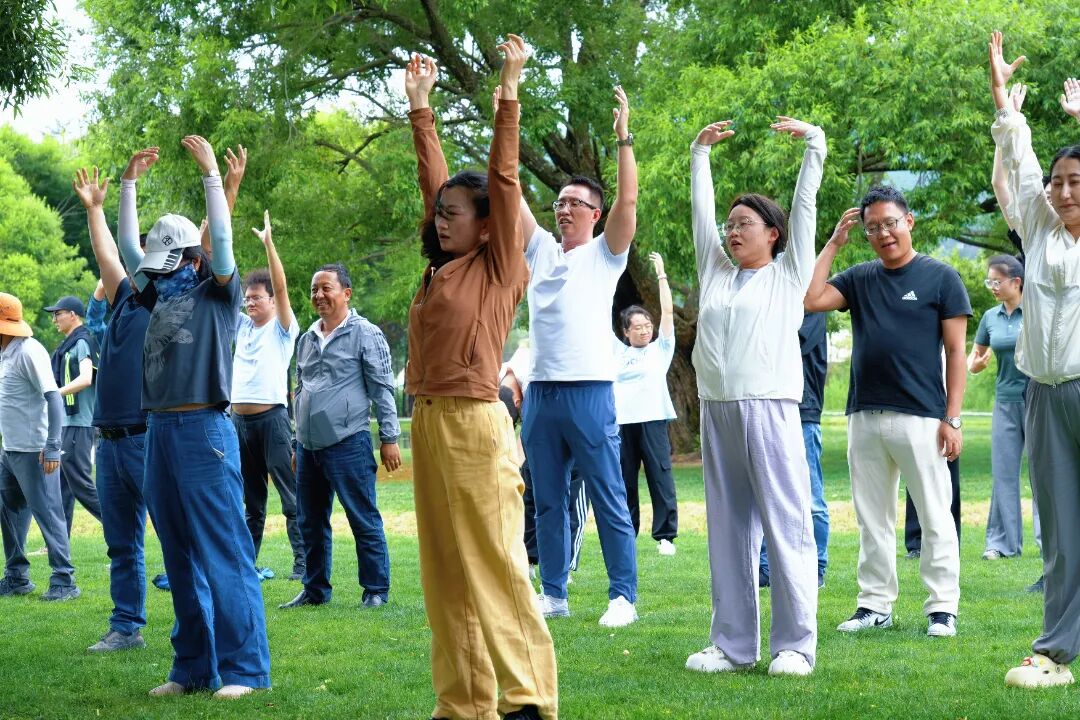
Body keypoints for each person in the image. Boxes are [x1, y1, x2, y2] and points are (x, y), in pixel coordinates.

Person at [405, 42, 557, 720]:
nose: (441, 221)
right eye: (439, 214)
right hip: (428, 421)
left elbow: (504, 178)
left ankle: (530, 699)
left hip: (475, 423)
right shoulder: (443, 263)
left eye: (454, 214)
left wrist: (509, 94)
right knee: (445, 572)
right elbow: (434, 183)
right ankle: (464, 704)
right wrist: (420, 109)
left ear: (489, 225)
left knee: (495, 562)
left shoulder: (500, 264)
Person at [118, 138, 270, 699]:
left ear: (193, 259)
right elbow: (130, 252)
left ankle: (245, 670)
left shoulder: (218, 293)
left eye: (174, 263)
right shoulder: (156, 294)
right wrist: (128, 185)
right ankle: (192, 668)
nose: (162, 274)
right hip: (159, 431)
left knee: (224, 550)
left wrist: (212, 177)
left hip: (205, 430)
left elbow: (223, 241)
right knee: (177, 555)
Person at [683, 115, 825, 678]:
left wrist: (813, 145)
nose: (732, 232)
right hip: (717, 410)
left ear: (773, 234)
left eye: (745, 224)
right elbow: (701, 220)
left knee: (786, 527)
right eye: (730, 224)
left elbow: (806, 207)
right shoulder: (716, 272)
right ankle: (732, 644)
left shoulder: (788, 275)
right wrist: (699, 155)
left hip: (770, 408)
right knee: (727, 531)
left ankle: (794, 646)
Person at [805, 184, 971, 639]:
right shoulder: (859, 278)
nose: (883, 233)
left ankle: (943, 608)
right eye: (873, 227)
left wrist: (952, 417)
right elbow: (811, 299)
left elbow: (957, 352)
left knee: (935, 515)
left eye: (890, 223)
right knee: (872, 518)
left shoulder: (941, 278)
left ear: (909, 222)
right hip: (864, 414)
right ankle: (874, 605)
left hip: (922, 416)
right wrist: (834, 243)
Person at [519, 82, 640, 628]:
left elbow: (628, 202)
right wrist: (507, 105)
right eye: (560, 203)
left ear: (596, 213)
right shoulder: (541, 249)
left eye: (575, 204)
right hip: (541, 394)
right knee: (547, 500)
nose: (564, 209)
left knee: (608, 494)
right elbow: (508, 191)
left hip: (590, 392)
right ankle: (554, 593)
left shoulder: (605, 255)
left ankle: (622, 597)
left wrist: (623, 140)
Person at [989, 32, 1080, 688]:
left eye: (1076, 182)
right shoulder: (1042, 228)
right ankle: (1055, 653)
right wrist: (1004, 102)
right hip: (1045, 395)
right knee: (1061, 532)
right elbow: (1018, 167)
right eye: (1058, 183)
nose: (1065, 192)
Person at [279, 261, 399, 610]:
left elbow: (382, 389)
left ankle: (375, 590)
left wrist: (390, 438)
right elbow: (300, 390)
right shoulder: (306, 338)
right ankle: (314, 589)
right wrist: (296, 442)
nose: (318, 295)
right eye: (314, 289)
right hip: (308, 447)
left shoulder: (366, 333)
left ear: (346, 293)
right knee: (310, 522)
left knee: (362, 517)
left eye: (326, 288)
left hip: (349, 442)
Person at [72, 166, 154, 651]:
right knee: (121, 543)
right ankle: (126, 627)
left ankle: (199, 630)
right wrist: (95, 210)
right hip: (109, 442)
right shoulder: (123, 299)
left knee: (178, 538)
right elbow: (107, 253)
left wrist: (221, 186)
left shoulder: (167, 303)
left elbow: (211, 248)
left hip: (146, 437)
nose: (131, 263)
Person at [232, 212, 306, 582]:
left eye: (257, 298)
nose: (250, 303)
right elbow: (223, 285)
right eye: (247, 298)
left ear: (273, 302)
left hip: (272, 420)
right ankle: (246, 564)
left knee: (290, 498)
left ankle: (303, 563)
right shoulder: (242, 326)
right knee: (252, 502)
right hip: (239, 423)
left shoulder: (282, 329)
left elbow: (282, 285)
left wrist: (269, 245)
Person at [0, 292, 80, 601]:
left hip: (36, 450)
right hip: (11, 449)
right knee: (9, 511)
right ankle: (17, 576)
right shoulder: (5, 353)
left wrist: (53, 446)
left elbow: (53, 397)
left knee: (48, 514)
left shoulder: (28, 351)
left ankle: (64, 581)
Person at [501, 347, 589, 578]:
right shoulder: (501, 378)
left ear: (518, 401)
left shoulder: (531, 373)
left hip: (575, 430)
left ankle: (566, 565)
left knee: (573, 500)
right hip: (540, 439)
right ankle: (530, 559)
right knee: (530, 497)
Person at [613, 251, 678, 556]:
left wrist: (661, 275)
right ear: (625, 332)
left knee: (659, 476)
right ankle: (627, 532)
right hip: (622, 423)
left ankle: (665, 536)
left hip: (653, 420)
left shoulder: (660, 349)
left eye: (646, 324)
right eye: (637, 327)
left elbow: (668, 312)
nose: (644, 329)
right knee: (624, 480)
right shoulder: (616, 352)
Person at [968, 255, 1033, 562]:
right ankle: (1002, 543)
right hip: (1005, 401)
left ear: (1016, 282)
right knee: (1004, 474)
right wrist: (976, 365)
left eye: (997, 281)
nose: (992, 286)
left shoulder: (1036, 310)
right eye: (989, 281)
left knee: (1045, 474)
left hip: (1038, 400)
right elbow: (974, 359)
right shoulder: (990, 317)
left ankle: (1053, 541)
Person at [760, 311, 831, 588]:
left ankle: (816, 567)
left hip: (803, 411)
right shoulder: (772, 304)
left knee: (811, 496)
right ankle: (766, 567)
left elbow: (786, 344)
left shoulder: (811, 310)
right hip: (768, 406)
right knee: (765, 491)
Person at [43, 295, 103, 533]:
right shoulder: (67, 345)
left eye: (58, 314)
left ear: (73, 315)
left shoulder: (83, 341)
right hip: (67, 423)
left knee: (80, 485)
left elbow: (87, 378)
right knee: (62, 486)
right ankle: (59, 543)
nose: (54, 319)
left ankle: (119, 527)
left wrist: (55, 393)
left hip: (80, 423)